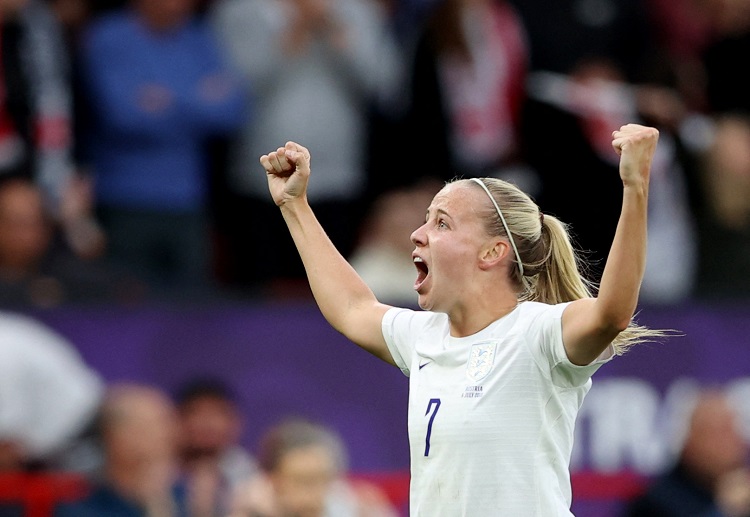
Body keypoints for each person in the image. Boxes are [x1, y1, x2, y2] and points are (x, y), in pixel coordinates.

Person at [258, 122, 671, 515]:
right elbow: (351, 309)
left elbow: (612, 313)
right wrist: (294, 204)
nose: (417, 235)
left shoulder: (538, 332)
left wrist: (636, 186)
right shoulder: (424, 337)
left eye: (441, 223)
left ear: (492, 252)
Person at [55, 382, 190, 517]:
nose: (170, 434)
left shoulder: (191, 499)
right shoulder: (80, 510)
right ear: (116, 437)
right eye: (156, 426)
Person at [228, 416, 398, 517]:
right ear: (272, 480)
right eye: (302, 480)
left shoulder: (363, 509)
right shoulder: (249, 510)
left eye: (323, 479)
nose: (314, 493)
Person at [622, 387, 750, 517]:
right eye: (718, 432)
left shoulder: (743, 490)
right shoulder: (658, 501)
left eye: (733, 430)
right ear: (688, 440)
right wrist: (725, 510)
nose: (729, 442)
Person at [174, 376, 258, 517]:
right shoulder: (157, 476)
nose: (207, 423)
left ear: (236, 423)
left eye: (216, 413)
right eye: (197, 413)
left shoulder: (251, 477)